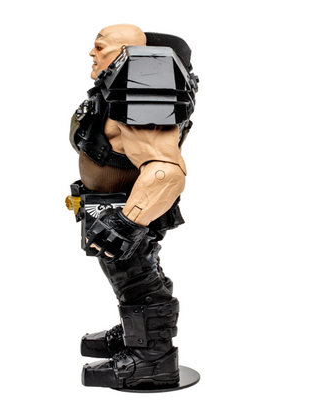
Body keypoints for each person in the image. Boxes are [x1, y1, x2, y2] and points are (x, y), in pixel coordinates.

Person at [66, 24, 198, 389]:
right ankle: (134, 334)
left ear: (126, 53)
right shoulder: (117, 91)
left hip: (129, 210)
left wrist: (126, 223)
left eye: (100, 47)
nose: (91, 53)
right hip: (111, 207)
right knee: (129, 274)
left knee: (138, 281)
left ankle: (152, 359)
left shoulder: (141, 99)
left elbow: (165, 173)